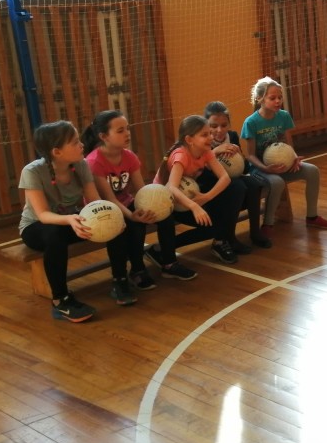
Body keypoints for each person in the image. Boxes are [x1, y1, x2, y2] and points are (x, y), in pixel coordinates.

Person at [18, 120, 131, 322]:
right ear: (57, 152)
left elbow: (95, 201)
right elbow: (43, 215)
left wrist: (112, 216)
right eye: (75, 142)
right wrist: (70, 219)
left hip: (72, 220)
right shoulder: (32, 171)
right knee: (55, 236)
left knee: (111, 221)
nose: (82, 145)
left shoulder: (81, 164)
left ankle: (120, 281)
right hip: (37, 227)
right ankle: (60, 300)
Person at [240, 76, 327, 234]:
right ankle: (268, 224)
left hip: (283, 165)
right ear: (259, 99)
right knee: (277, 182)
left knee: (313, 171)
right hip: (260, 170)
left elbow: (289, 144)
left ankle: (312, 217)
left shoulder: (283, 116)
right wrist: (266, 168)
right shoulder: (251, 122)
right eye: (273, 98)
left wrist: (294, 158)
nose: (278, 101)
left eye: (280, 97)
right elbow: (250, 156)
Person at [82, 110, 160, 296]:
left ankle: (138, 269)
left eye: (127, 128)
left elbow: (141, 190)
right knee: (117, 229)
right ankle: (119, 278)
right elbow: (109, 199)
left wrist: (147, 209)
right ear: (103, 136)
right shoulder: (94, 161)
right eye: (120, 131)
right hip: (101, 210)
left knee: (139, 225)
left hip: (124, 203)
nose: (127, 133)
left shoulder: (129, 156)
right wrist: (131, 215)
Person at [152, 115, 245, 265]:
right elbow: (171, 187)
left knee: (216, 225)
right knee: (211, 226)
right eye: (204, 135)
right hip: (165, 199)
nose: (211, 137)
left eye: (209, 133)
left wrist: (206, 197)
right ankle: (163, 250)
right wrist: (194, 206)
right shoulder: (181, 155)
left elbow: (225, 178)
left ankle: (160, 248)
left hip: (184, 197)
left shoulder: (205, 151)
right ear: (189, 140)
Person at [203, 100, 271, 249]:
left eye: (224, 125)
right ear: (206, 125)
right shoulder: (203, 141)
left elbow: (244, 169)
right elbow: (200, 172)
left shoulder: (232, 136)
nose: (219, 130)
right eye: (213, 126)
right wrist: (215, 152)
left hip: (231, 179)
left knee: (254, 184)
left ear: (229, 124)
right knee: (238, 186)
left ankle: (255, 232)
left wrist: (240, 155)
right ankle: (229, 238)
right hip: (211, 182)